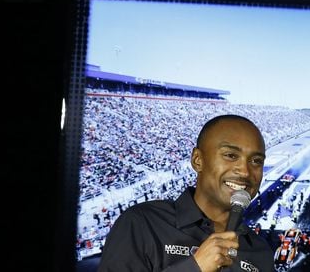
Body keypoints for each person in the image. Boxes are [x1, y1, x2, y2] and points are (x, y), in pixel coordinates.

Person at [98, 115, 274, 272]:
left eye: (256, 161)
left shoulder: (260, 252)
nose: (244, 171)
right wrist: (194, 267)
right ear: (198, 161)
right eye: (230, 155)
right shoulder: (143, 223)